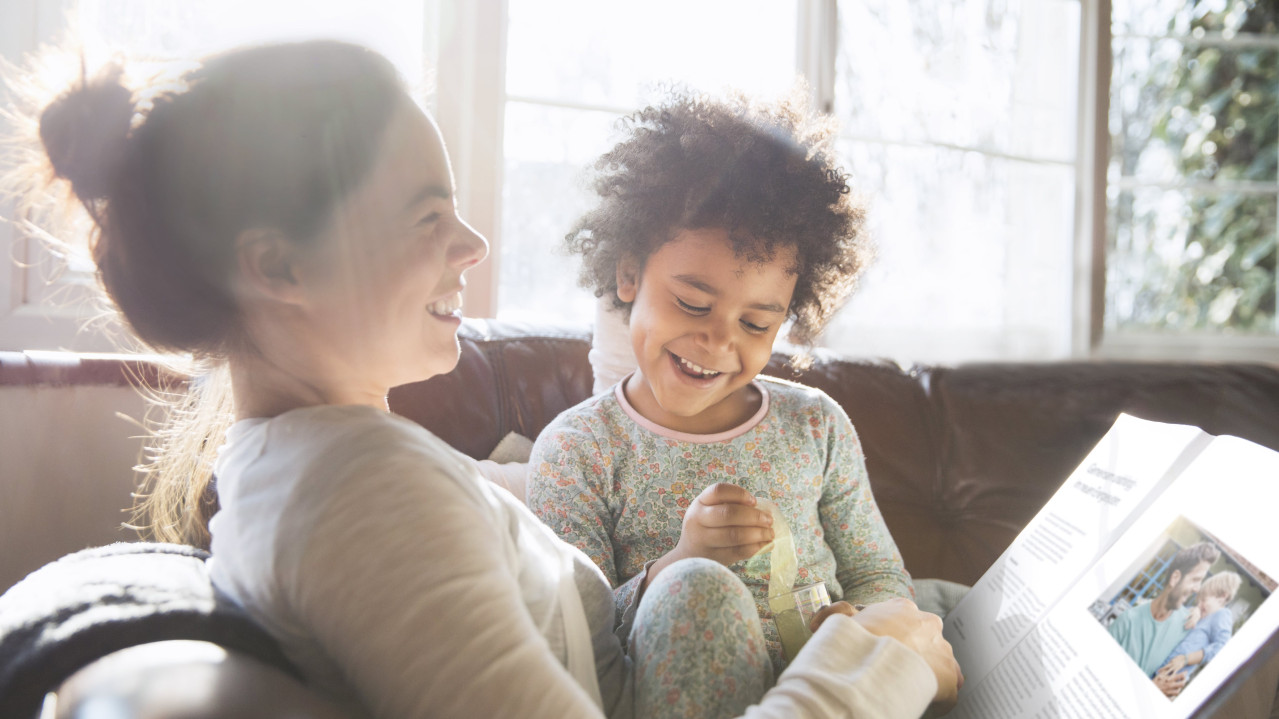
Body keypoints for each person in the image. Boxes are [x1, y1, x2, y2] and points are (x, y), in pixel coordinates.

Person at [17, 40, 960, 719]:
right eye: (428, 216)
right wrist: (872, 671)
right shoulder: (360, 497)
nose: (471, 246)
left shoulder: (328, 467)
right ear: (278, 269)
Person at [526, 90, 915, 673]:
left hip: (828, 692)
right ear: (629, 274)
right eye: (692, 303)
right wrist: (681, 562)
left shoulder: (815, 425)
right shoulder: (577, 450)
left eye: (757, 323)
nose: (719, 342)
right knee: (696, 596)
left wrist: (864, 623)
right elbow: (577, 636)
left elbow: (879, 575)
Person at [1107, 542, 1221, 697]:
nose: (1197, 589)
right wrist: (1151, 689)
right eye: (1195, 579)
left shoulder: (1188, 625)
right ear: (1175, 578)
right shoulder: (1127, 622)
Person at [1156, 570, 1242, 681]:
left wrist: (1185, 659)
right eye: (1199, 600)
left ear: (1222, 597)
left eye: (1204, 600)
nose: (1199, 604)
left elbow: (1221, 646)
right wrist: (1194, 611)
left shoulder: (1222, 615)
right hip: (1160, 668)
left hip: (1171, 676)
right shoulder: (1203, 615)